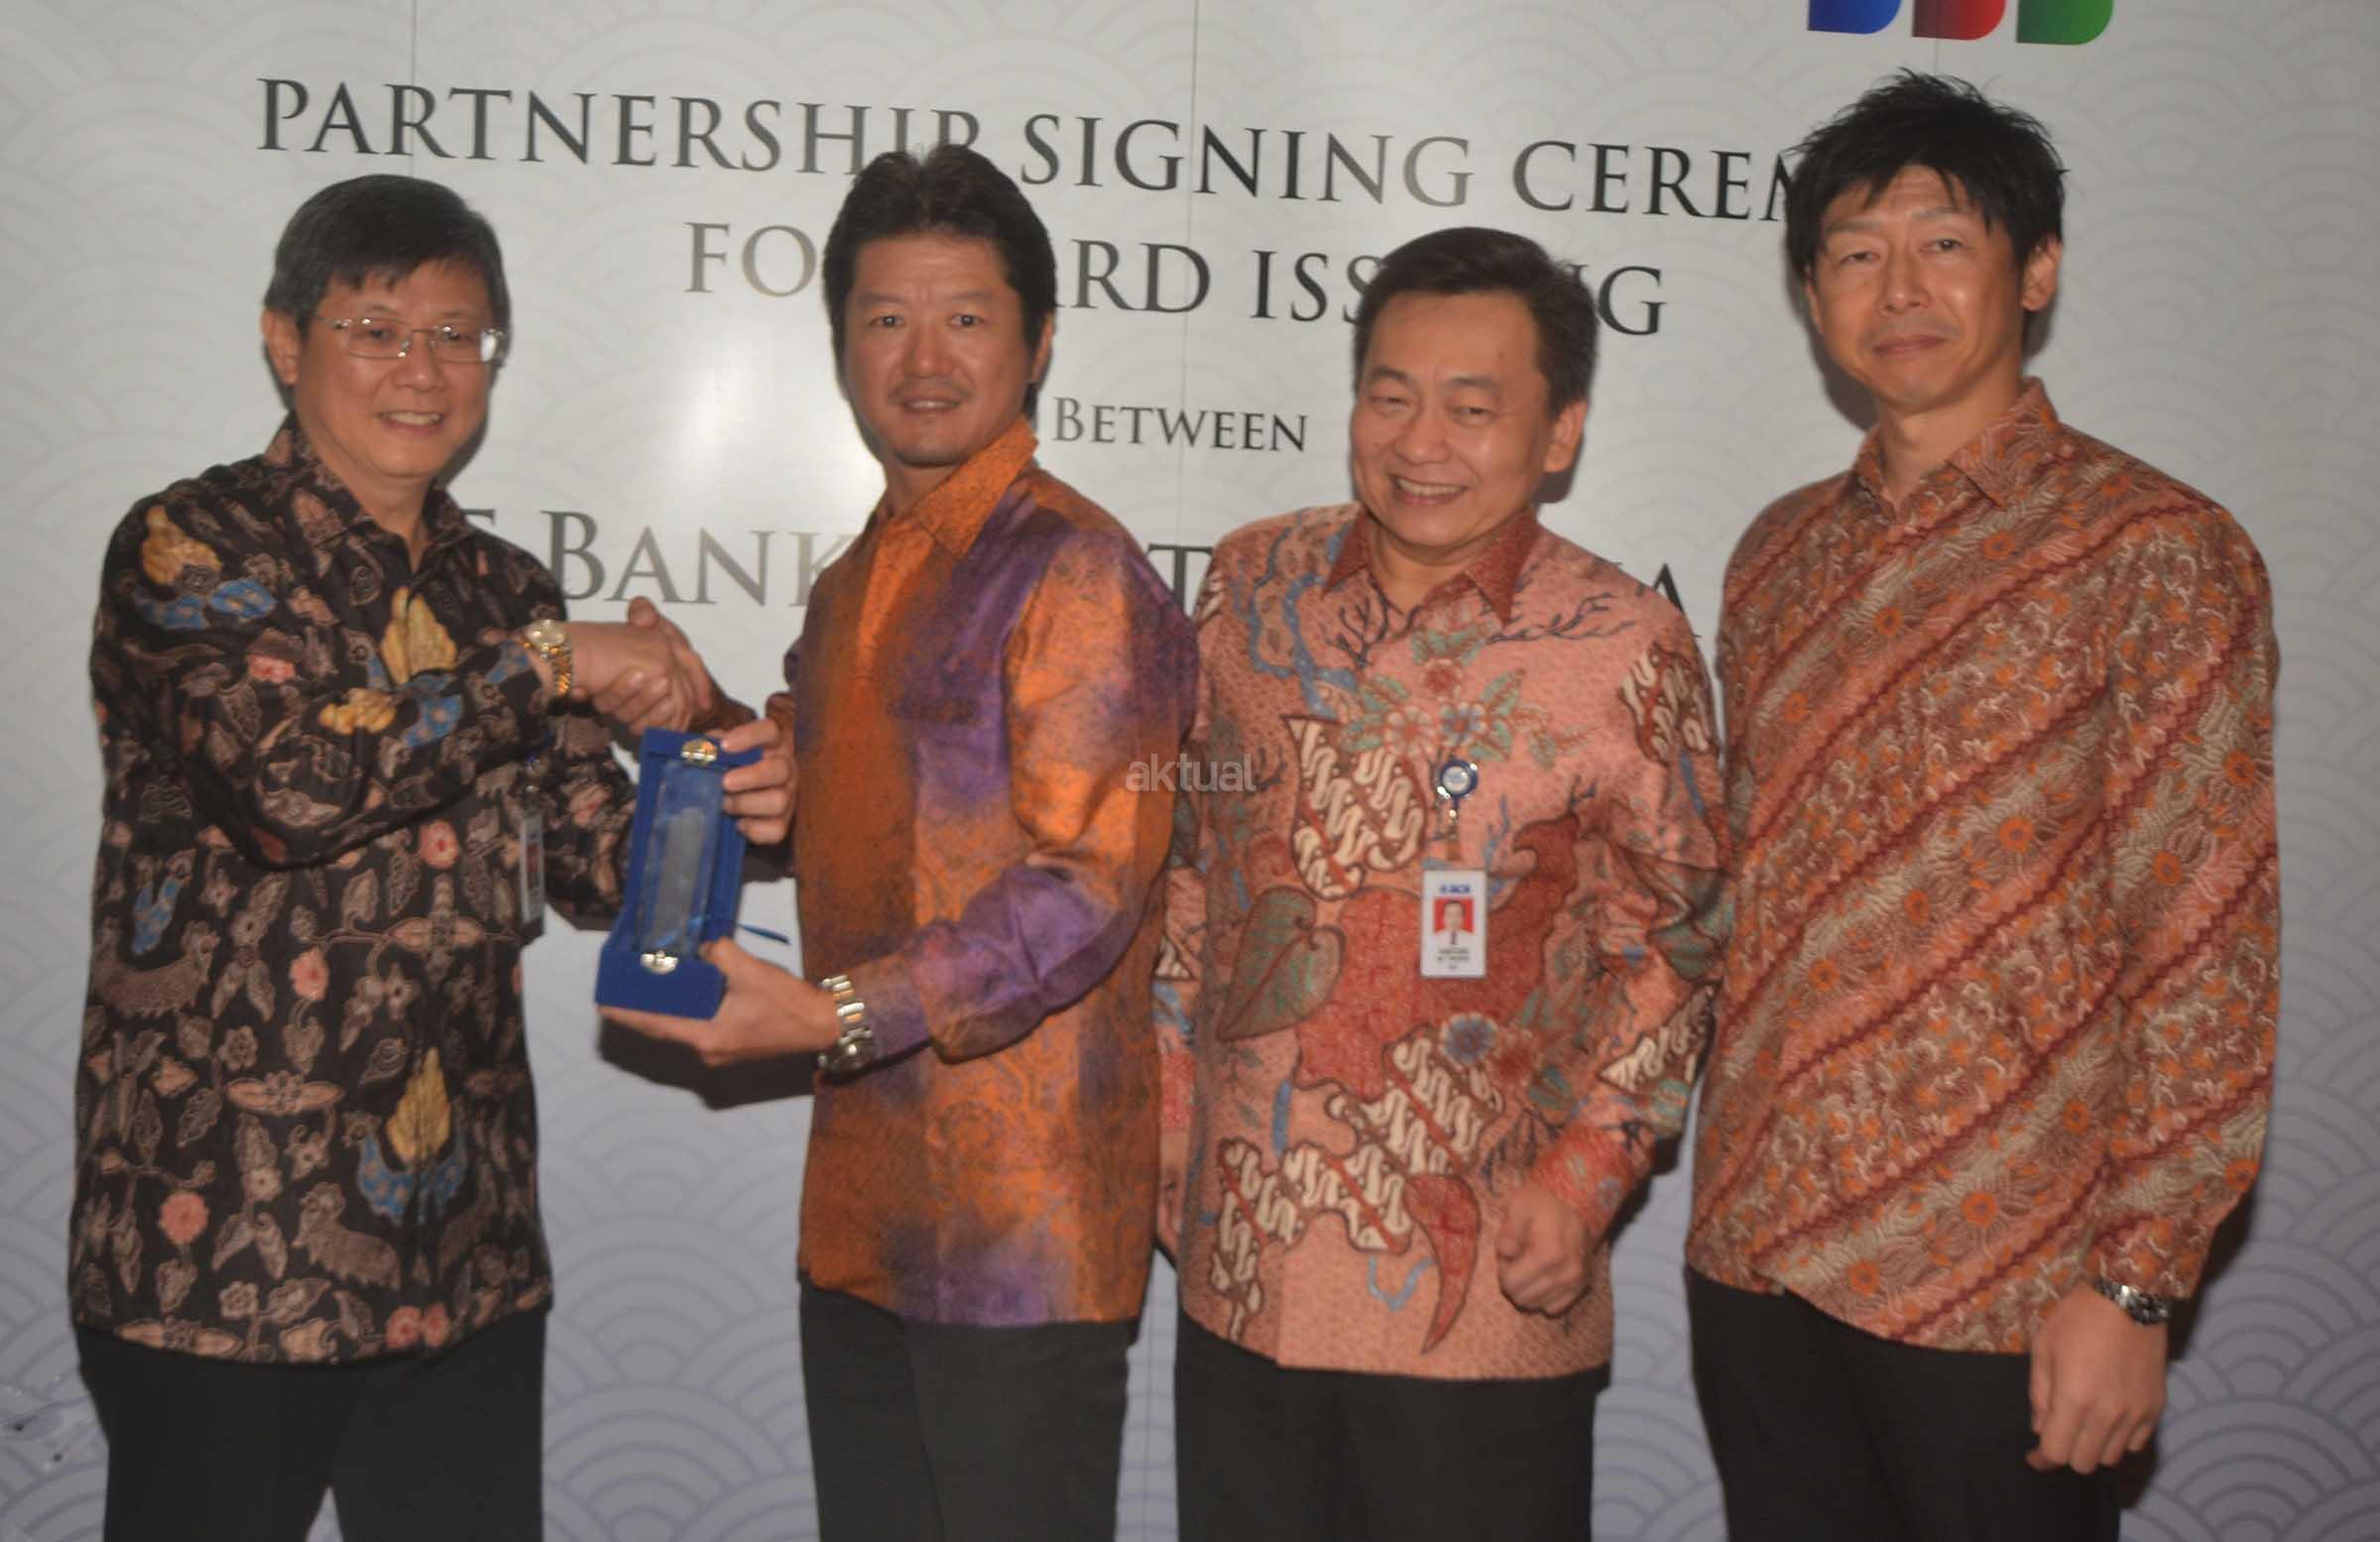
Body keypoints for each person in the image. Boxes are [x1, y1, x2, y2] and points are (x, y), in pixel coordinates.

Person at [74, 172, 788, 1542]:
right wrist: (552, 665)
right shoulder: (188, 546)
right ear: (285, 341)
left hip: (462, 1251)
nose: (424, 370)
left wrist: (722, 772)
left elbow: (592, 860)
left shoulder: (505, 589)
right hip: (224, 1245)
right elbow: (290, 788)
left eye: (459, 336)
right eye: (378, 330)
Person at [1685, 72, 2280, 1542]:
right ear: (1812, 293)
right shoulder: (1777, 556)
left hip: (2002, 1278)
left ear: (2038, 270)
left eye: (1944, 244)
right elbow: (1727, 895)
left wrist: (2135, 1283)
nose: (1899, 289)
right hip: (1760, 1249)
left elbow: (2207, 941)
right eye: (1855, 252)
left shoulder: (2157, 548)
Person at [605, 143, 1196, 1542]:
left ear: (1038, 343)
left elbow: (1084, 884)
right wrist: (727, 740)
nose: (924, 359)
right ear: (840, 348)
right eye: (885, 319)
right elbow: (858, 792)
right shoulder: (855, 577)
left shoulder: (1077, 570)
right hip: (864, 1210)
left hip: (1021, 1237)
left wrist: (836, 1013)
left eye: (966, 317)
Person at [1154, 225, 1726, 1542]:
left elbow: (1678, 934)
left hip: (1486, 1291)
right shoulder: (1252, 582)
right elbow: (1193, 862)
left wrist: (1589, 1176)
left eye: (1474, 408)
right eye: (1392, 395)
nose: (1422, 443)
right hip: (1244, 1264)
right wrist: (1171, 1120)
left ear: (1559, 432)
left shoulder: (1624, 642)